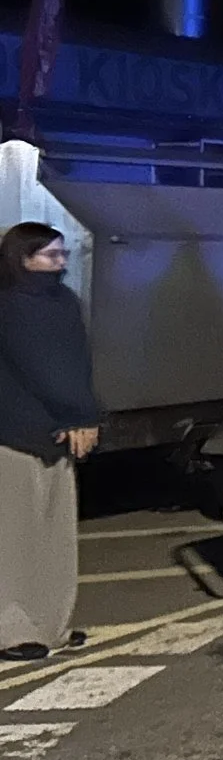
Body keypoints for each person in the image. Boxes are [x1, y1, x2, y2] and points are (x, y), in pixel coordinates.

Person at [0, 223, 101, 662]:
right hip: (17, 432)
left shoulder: (63, 302)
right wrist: (79, 415)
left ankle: (51, 625)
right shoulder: (11, 306)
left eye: (62, 255)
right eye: (49, 256)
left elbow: (77, 363)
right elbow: (40, 368)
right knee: (15, 536)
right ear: (22, 259)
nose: (60, 264)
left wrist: (83, 414)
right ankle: (11, 629)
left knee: (55, 538)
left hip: (58, 433)